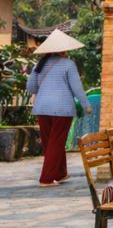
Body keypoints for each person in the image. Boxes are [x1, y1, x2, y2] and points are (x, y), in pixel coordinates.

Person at [25, 29, 91, 187]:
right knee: (56, 142)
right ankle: (46, 178)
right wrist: (86, 105)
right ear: (62, 49)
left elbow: (31, 88)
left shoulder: (38, 65)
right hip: (62, 109)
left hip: (42, 108)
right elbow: (77, 88)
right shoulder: (68, 64)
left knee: (51, 143)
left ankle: (60, 173)